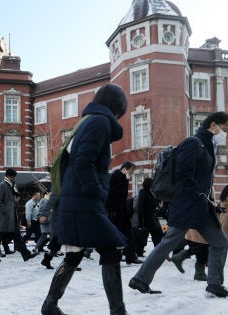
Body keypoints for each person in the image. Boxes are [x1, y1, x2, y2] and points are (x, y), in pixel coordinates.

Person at [128, 111, 228, 299]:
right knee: (169, 242)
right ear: (213, 125)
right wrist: (198, 194)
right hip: (187, 205)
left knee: (220, 241)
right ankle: (140, 279)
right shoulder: (193, 142)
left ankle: (215, 284)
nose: (225, 134)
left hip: (201, 207)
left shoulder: (207, 145)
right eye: (224, 129)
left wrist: (208, 201)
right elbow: (183, 173)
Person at [41, 83, 129, 315]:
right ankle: (118, 311)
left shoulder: (89, 121)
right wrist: (98, 191)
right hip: (84, 200)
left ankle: (50, 304)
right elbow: (83, 162)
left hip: (77, 199)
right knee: (111, 248)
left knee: (74, 254)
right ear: (117, 106)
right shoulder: (99, 122)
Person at [0, 168, 36, 262]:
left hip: (12, 216)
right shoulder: (3, 185)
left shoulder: (11, 185)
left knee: (17, 236)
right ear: (8, 176)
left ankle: (26, 254)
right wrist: (5, 211)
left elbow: (12, 198)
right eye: (13, 177)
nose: (14, 179)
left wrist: (15, 199)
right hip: (5, 216)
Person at [107, 161, 141, 265]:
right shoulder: (116, 177)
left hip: (122, 212)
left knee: (128, 234)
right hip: (116, 212)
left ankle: (130, 256)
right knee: (116, 235)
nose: (131, 174)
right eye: (131, 171)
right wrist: (111, 210)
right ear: (125, 168)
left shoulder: (123, 178)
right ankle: (114, 256)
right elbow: (111, 195)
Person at [135, 177, 164, 257]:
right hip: (147, 217)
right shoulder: (143, 192)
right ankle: (141, 251)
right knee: (149, 234)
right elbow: (140, 207)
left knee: (157, 233)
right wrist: (140, 220)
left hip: (152, 217)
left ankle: (156, 250)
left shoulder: (151, 193)